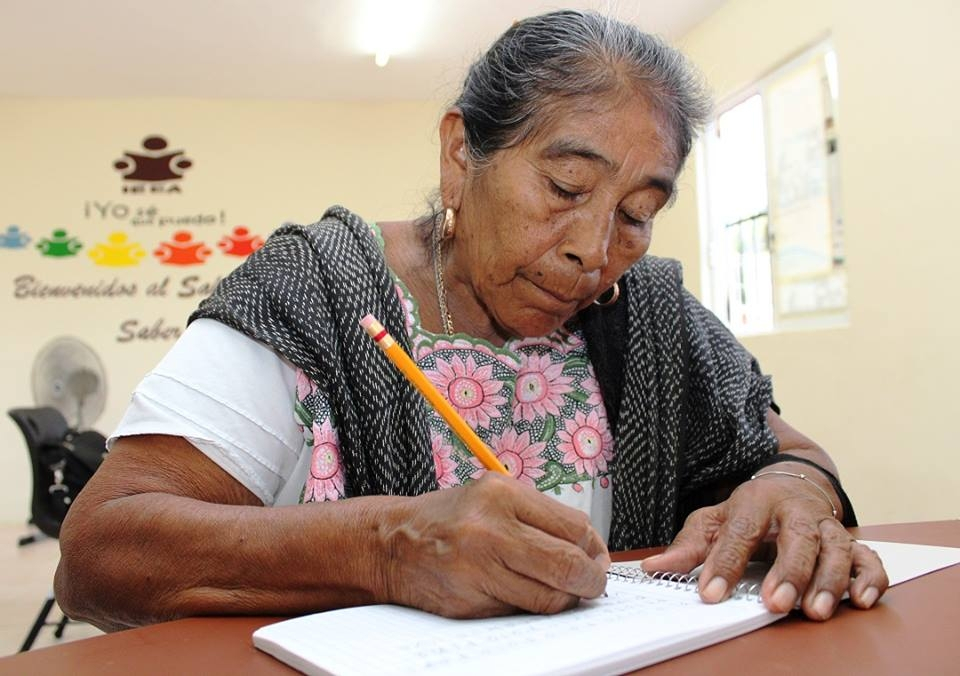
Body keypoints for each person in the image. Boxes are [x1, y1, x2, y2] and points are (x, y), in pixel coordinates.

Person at [55, 10, 887, 632]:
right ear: (461, 156)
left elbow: (791, 456)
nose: (593, 252)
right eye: (564, 188)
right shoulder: (317, 290)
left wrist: (791, 491)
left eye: (637, 212)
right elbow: (100, 555)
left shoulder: (650, 315)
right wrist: (385, 546)